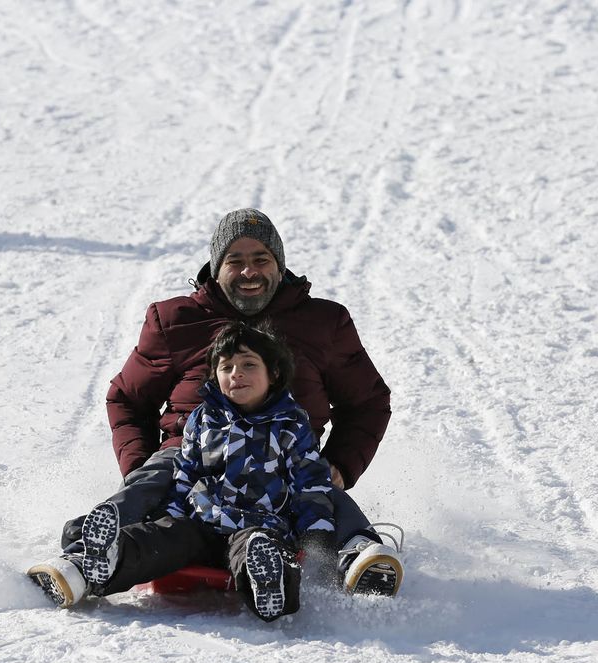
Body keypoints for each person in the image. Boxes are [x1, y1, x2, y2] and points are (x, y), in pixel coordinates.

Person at [60, 208, 402, 595]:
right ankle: (84, 557)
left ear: (279, 264)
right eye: (234, 261)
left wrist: (340, 463)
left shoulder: (323, 323)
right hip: (191, 457)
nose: (248, 272)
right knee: (155, 476)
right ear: (216, 267)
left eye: (261, 259)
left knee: (319, 486)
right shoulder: (175, 320)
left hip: (284, 454)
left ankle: (358, 556)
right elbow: (127, 398)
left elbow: (368, 401)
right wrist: (140, 467)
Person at [28, 322, 351, 620]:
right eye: (226, 367)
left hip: (257, 524)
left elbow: (311, 484)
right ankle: (92, 566)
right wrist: (162, 515)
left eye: (249, 365)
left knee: (259, 546)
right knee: (160, 537)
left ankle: (270, 584)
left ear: (275, 374)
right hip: (202, 521)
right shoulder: (203, 419)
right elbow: (186, 475)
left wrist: (315, 538)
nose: (236, 374)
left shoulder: (291, 424)